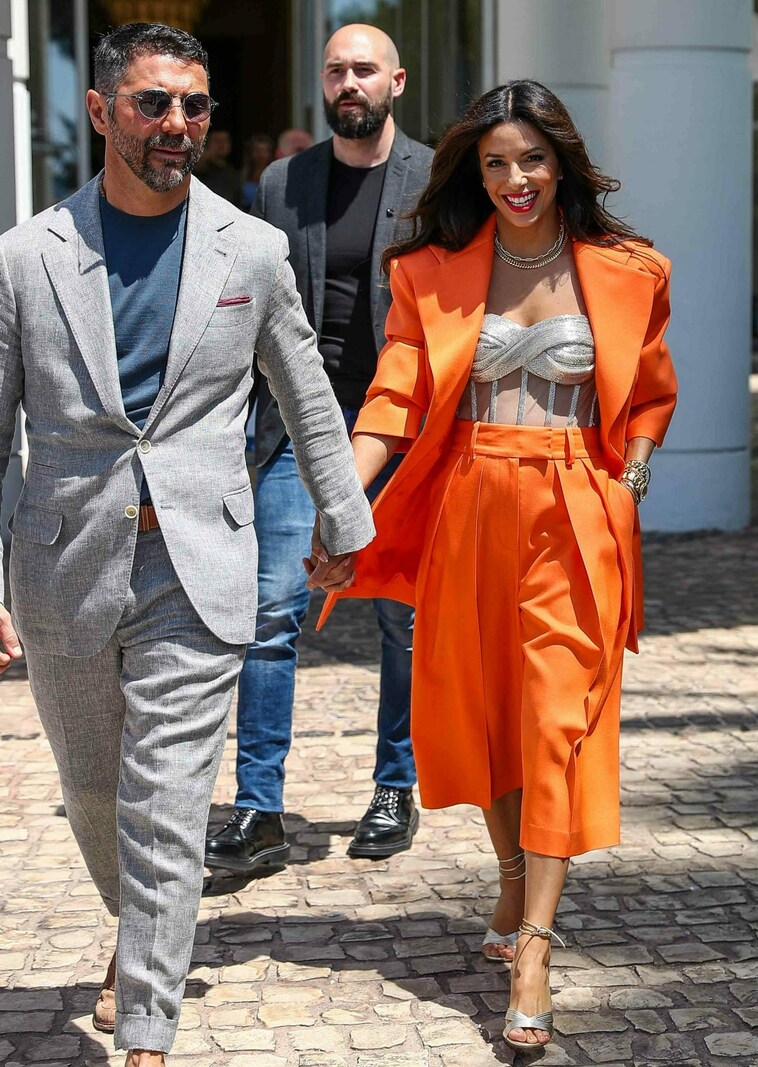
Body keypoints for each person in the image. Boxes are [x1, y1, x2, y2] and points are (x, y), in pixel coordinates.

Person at [0, 21, 373, 1067]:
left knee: (166, 806)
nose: (178, 125)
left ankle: (150, 1032)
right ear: (102, 109)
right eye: (156, 103)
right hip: (62, 562)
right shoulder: (27, 258)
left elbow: (304, 390)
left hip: (200, 565)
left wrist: (345, 522)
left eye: (195, 106)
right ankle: (140, 928)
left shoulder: (248, 248)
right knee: (94, 792)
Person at [313, 79, 677, 1052]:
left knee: (557, 715)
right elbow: (392, 395)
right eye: (494, 163)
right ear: (473, 171)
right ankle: (511, 876)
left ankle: (534, 945)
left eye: (531, 159)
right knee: (489, 712)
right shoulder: (429, 272)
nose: (515, 179)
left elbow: (647, 393)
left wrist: (631, 472)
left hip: (576, 508)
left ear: (561, 160)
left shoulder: (626, 269)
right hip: (472, 502)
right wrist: (344, 496)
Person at [204, 23, 432, 871]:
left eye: (364, 69)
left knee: (401, 620)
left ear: (396, 82)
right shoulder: (281, 181)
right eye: (336, 69)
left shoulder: (435, 176)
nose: (349, 82)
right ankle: (260, 807)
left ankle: (393, 787)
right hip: (303, 429)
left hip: (402, 428)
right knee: (270, 616)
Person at [195, 126, 241, 204]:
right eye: (217, 141)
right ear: (207, 143)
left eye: (225, 141)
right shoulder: (199, 169)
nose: (221, 144)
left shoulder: (233, 173)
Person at [240, 132, 274, 211]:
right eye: (257, 150)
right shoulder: (241, 176)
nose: (260, 154)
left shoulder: (275, 176)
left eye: (264, 151)